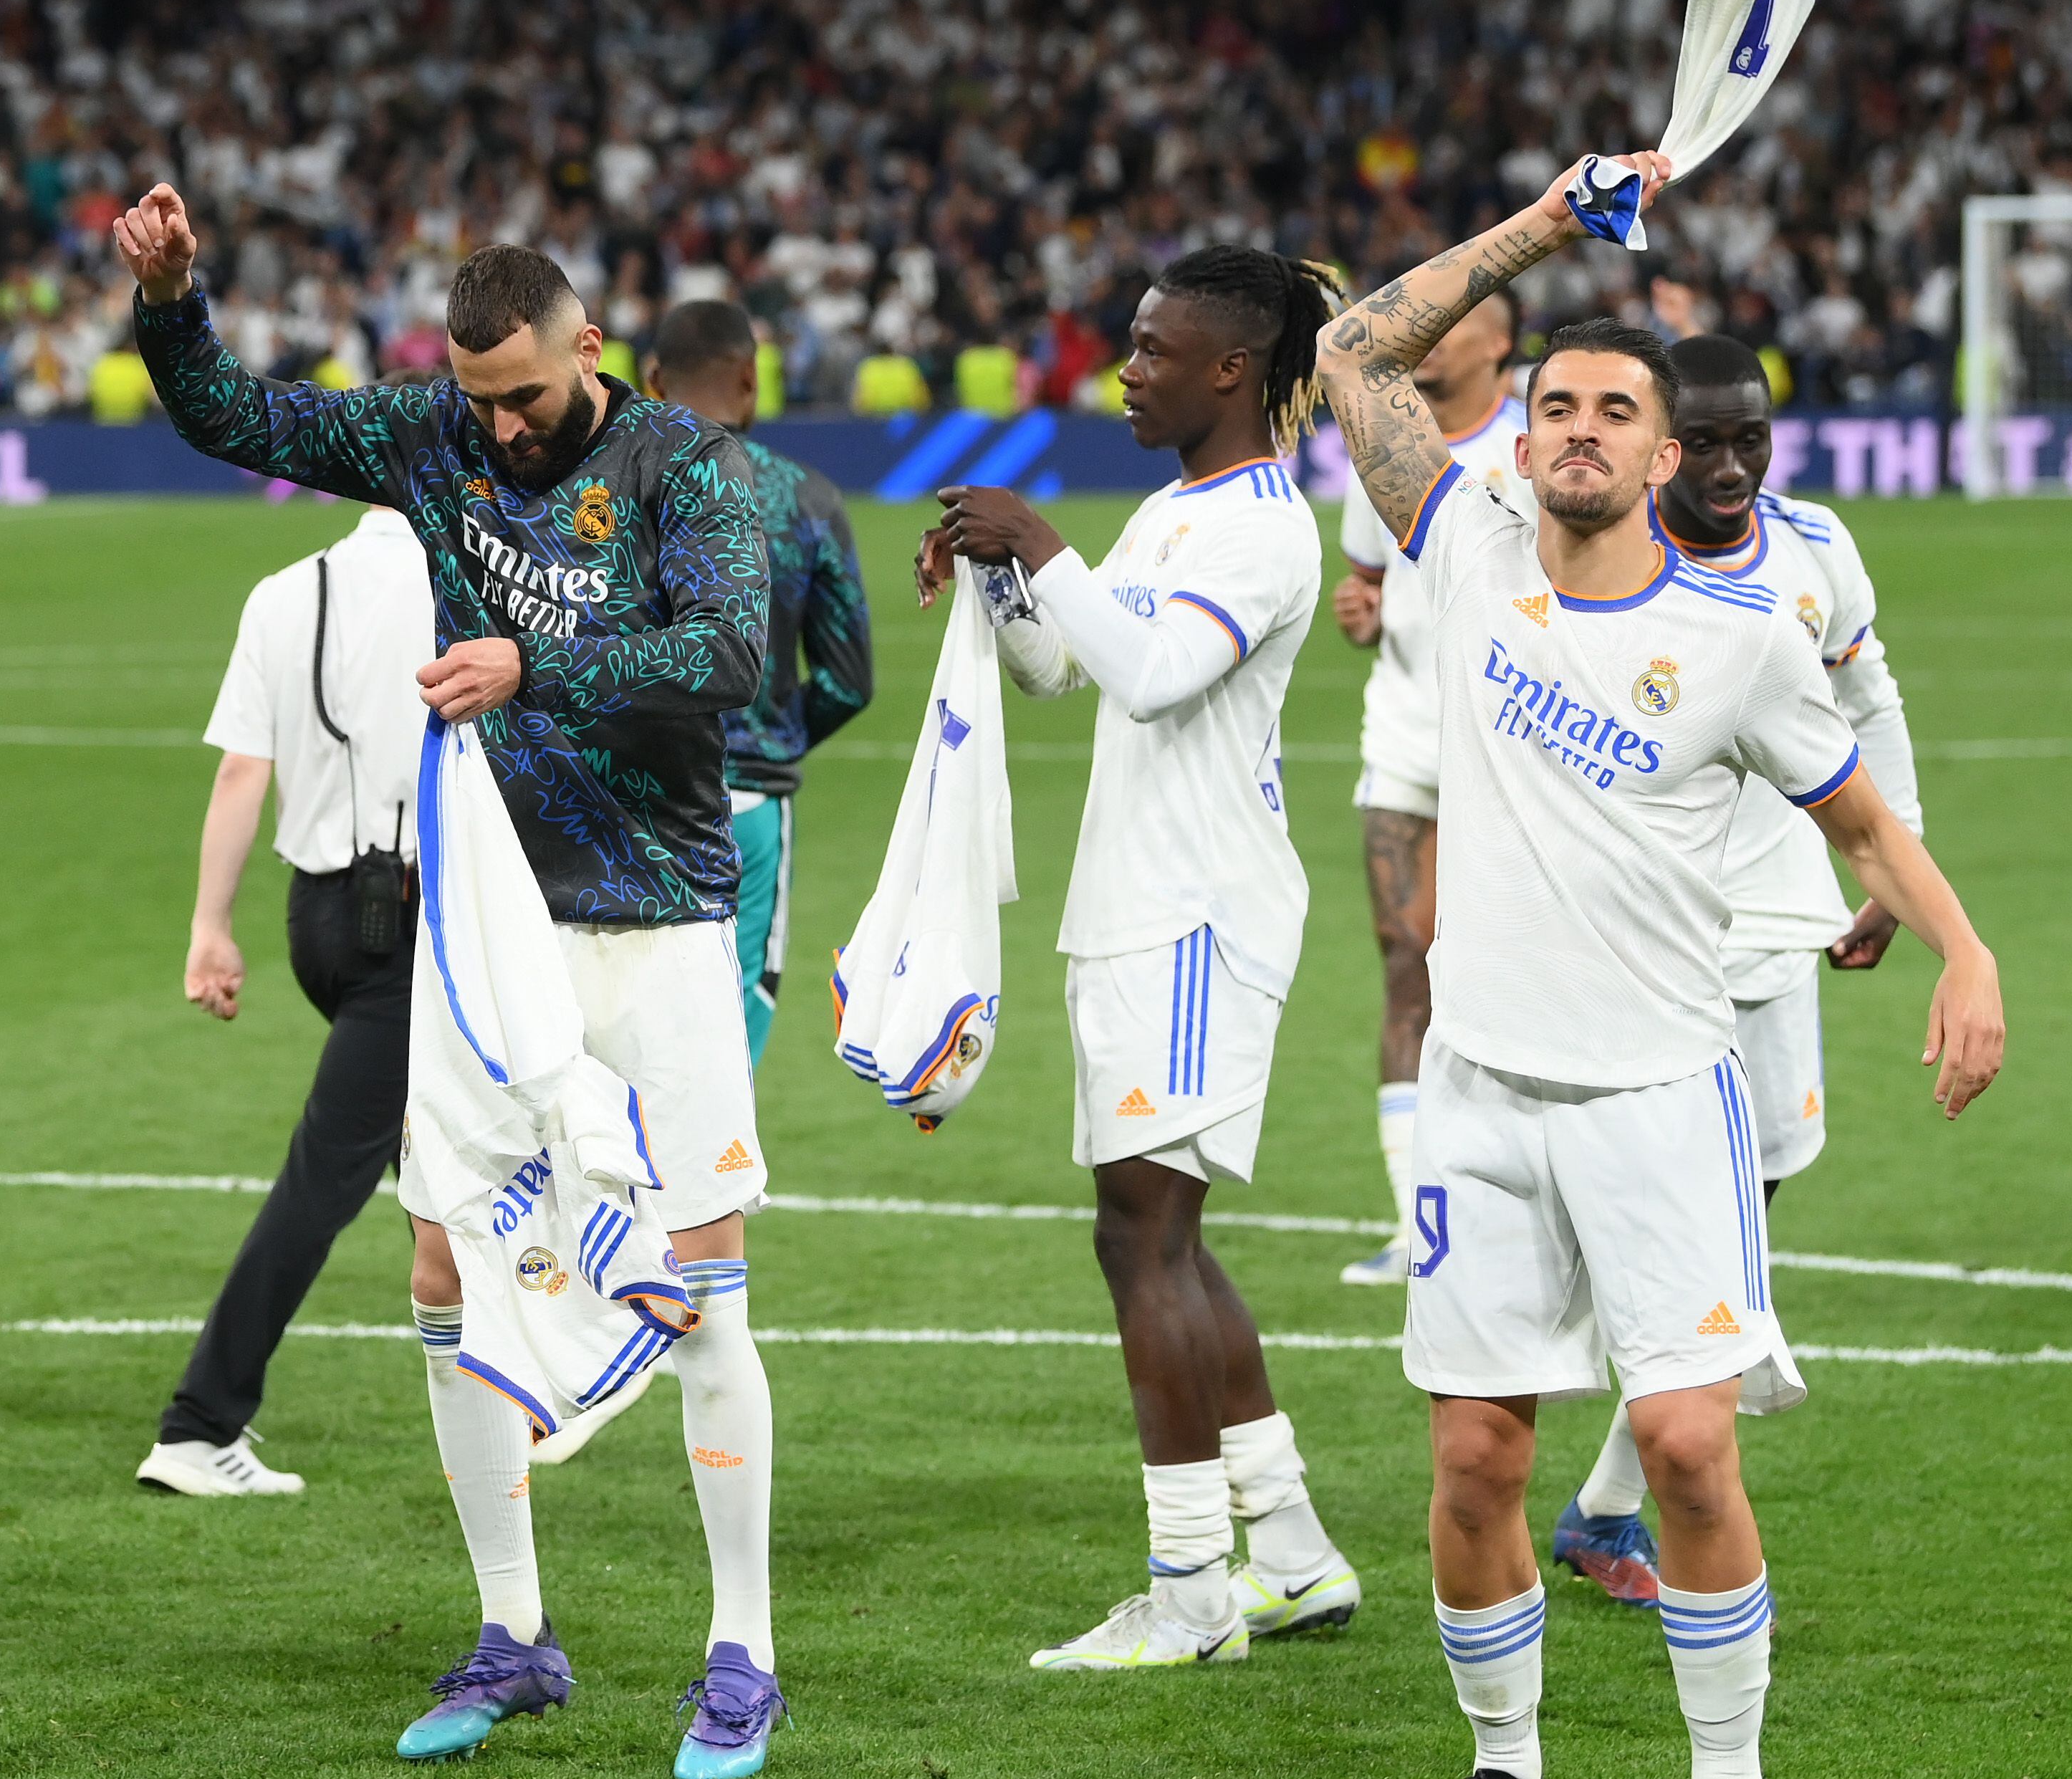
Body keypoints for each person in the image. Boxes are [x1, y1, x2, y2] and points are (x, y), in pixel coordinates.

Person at [1313, 153, 2004, 1779]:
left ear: (1662, 447)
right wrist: (1546, 224)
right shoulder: (1460, 542)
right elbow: (1351, 353)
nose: (1573, 430)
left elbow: (1859, 814)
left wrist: (1966, 952)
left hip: (1651, 1090)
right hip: (1476, 1086)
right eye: (1552, 401)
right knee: (1475, 1452)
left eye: (1612, 408)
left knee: (1689, 1441)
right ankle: (1502, 1768)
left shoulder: (1743, 637)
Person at [114, 186, 787, 1779]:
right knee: (438, 1267)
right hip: (486, 927)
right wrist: (172, 299)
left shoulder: (685, 465)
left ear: (589, 349)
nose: (499, 426)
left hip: (661, 916)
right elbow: (230, 415)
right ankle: (513, 1633)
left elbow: (725, 658)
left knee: (700, 1279)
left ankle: (741, 1651)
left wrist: (529, 663)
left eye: (525, 394)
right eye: (476, 395)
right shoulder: (432, 435)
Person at [925, 246, 1365, 1673]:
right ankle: (1289, 1556)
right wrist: (1003, 583)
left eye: (1151, 348)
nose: (1125, 368)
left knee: (1144, 1238)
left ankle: (1191, 1595)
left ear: (1230, 369)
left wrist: (1041, 540)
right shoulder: (1176, 511)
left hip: (1194, 916)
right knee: (1157, 1234)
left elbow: (1161, 672)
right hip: (1136, 909)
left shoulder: (1263, 527)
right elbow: (1070, 668)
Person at [1549, 334, 1923, 1606]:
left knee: (1751, 1204)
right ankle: (1611, 1496)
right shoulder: (1595, 550)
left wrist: (1894, 865)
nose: (1726, 463)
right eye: (1699, 439)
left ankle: (1607, 1505)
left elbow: (1869, 705)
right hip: (1628, 933)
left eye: (1747, 436)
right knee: (1673, 1234)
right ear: (1657, 442)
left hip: (1769, 927)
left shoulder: (1813, 547)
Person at [135, 502, 436, 1500]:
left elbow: (240, 773)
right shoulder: (463, 575)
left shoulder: (285, 590)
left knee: (440, 1147)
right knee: (335, 1170)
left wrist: (210, 927)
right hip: (413, 915)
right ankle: (199, 1421)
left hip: (320, 918)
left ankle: (511, 1384)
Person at [1327, 289, 1522, 1286]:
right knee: (1409, 964)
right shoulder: (1385, 445)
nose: (1430, 339)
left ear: (1501, 343)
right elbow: (1367, 581)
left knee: (1516, 969)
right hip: (1406, 733)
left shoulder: (1540, 443)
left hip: (1521, 744)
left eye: (1453, 325)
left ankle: (1528, 1204)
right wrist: (1359, 611)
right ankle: (1418, 1228)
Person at [649, 299, 873, 1058]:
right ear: (750, 378)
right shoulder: (806, 498)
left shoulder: (603, 494)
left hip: (617, 798)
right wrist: (772, 733)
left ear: (652, 381)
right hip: (744, 802)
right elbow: (847, 678)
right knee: (731, 1014)